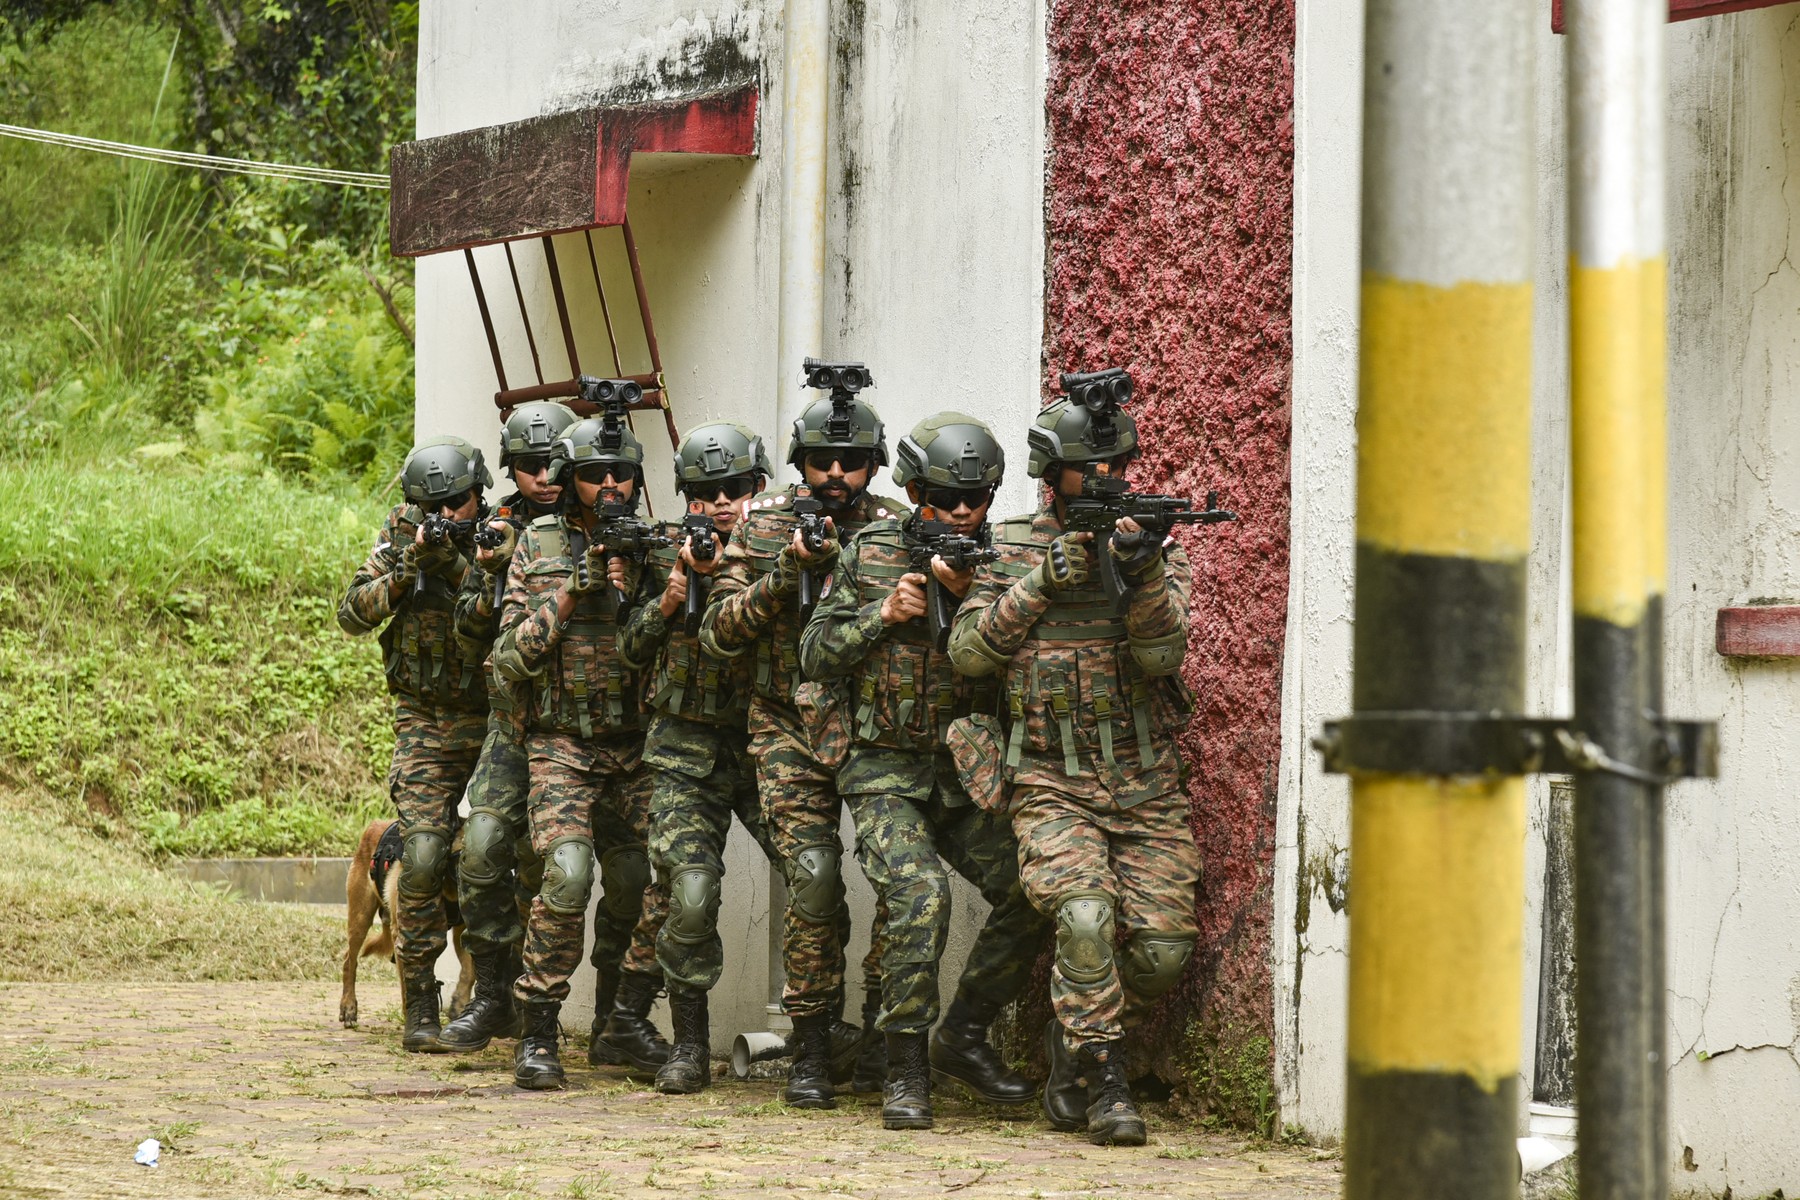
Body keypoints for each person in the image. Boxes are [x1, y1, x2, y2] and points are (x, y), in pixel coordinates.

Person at [948, 375, 1203, 1146]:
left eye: (1116, 464)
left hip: (1143, 779)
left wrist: (1142, 570)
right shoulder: (1007, 549)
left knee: (1163, 950)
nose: (1105, 478)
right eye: (1088, 468)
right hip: (1048, 780)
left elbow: (1163, 658)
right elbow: (968, 655)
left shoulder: (1154, 548)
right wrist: (1039, 583)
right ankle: (1105, 1079)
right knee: (1085, 916)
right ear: (1050, 472)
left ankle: (1074, 1044)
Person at [799, 412, 1049, 1129]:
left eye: (977, 498)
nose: (963, 511)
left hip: (967, 772)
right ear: (915, 492)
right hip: (883, 770)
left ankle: (962, 1036)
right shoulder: (872, 551)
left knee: (1035, 890)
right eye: (947, 497)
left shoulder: (1005, 561)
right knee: (920, 893)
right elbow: (814, 655)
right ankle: (904, 1067)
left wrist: (976, 598)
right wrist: (883, 613)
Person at [700, 365, 906, 1108]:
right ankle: (813, 1045)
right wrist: (786, 571)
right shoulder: (763, 527)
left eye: (851, 461)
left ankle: (881, 1038)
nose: (836, 474)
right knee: (814, 878)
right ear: (800, 462)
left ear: (873, 465)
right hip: (786, 724)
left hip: (874, 729)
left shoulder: (895, 528)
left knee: (902, 879)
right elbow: (717, 632)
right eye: (822, 460)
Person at [492, 413, 671, 1089]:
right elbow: (508, 660)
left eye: (622, 473)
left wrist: (653, 585)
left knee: (657, 877)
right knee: (567, 875)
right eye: (595, 474)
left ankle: (621, 1020)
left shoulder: (655, 548)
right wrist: (572, 590)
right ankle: (538, 1030)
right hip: (561, 743)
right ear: (571, 481)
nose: (610, 485)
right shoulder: (537, 545)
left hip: (636, 746)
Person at [612, 422, 771, 1094]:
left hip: (764, 743)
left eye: (736, 488)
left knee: (813, 876)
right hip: (683, 746)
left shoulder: (777, 547)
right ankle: (688, 1043)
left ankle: (823, 1038)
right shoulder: (659, 553)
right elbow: (627, 651)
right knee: (689, 891)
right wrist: (669, 597)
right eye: (707, 492)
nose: (722, 502)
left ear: (756, 487)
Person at [337, 436, 493, 1053]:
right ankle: (420, 1000)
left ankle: (496, 997)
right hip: (424, 721)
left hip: (491, 722)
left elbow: (500, 613)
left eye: (456, 503)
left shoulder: (499, 535)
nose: (445, 515)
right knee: (423, 856)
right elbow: (352, 612)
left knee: (495, 856)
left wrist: (452, 563)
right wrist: (406, 571)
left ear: (478, 495)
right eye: (432, 506)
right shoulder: (400, 534)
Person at [439, 401, 577, 1053]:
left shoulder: (601, 522)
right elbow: (467, 635)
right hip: (514, 724)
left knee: (612, 870)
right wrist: (491, 574)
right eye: (528, 465)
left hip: (587, 730)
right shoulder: (496, 530)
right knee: (482, 847)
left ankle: (617, 1017)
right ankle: (493, 993)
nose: (543, 477)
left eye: (553, 462)